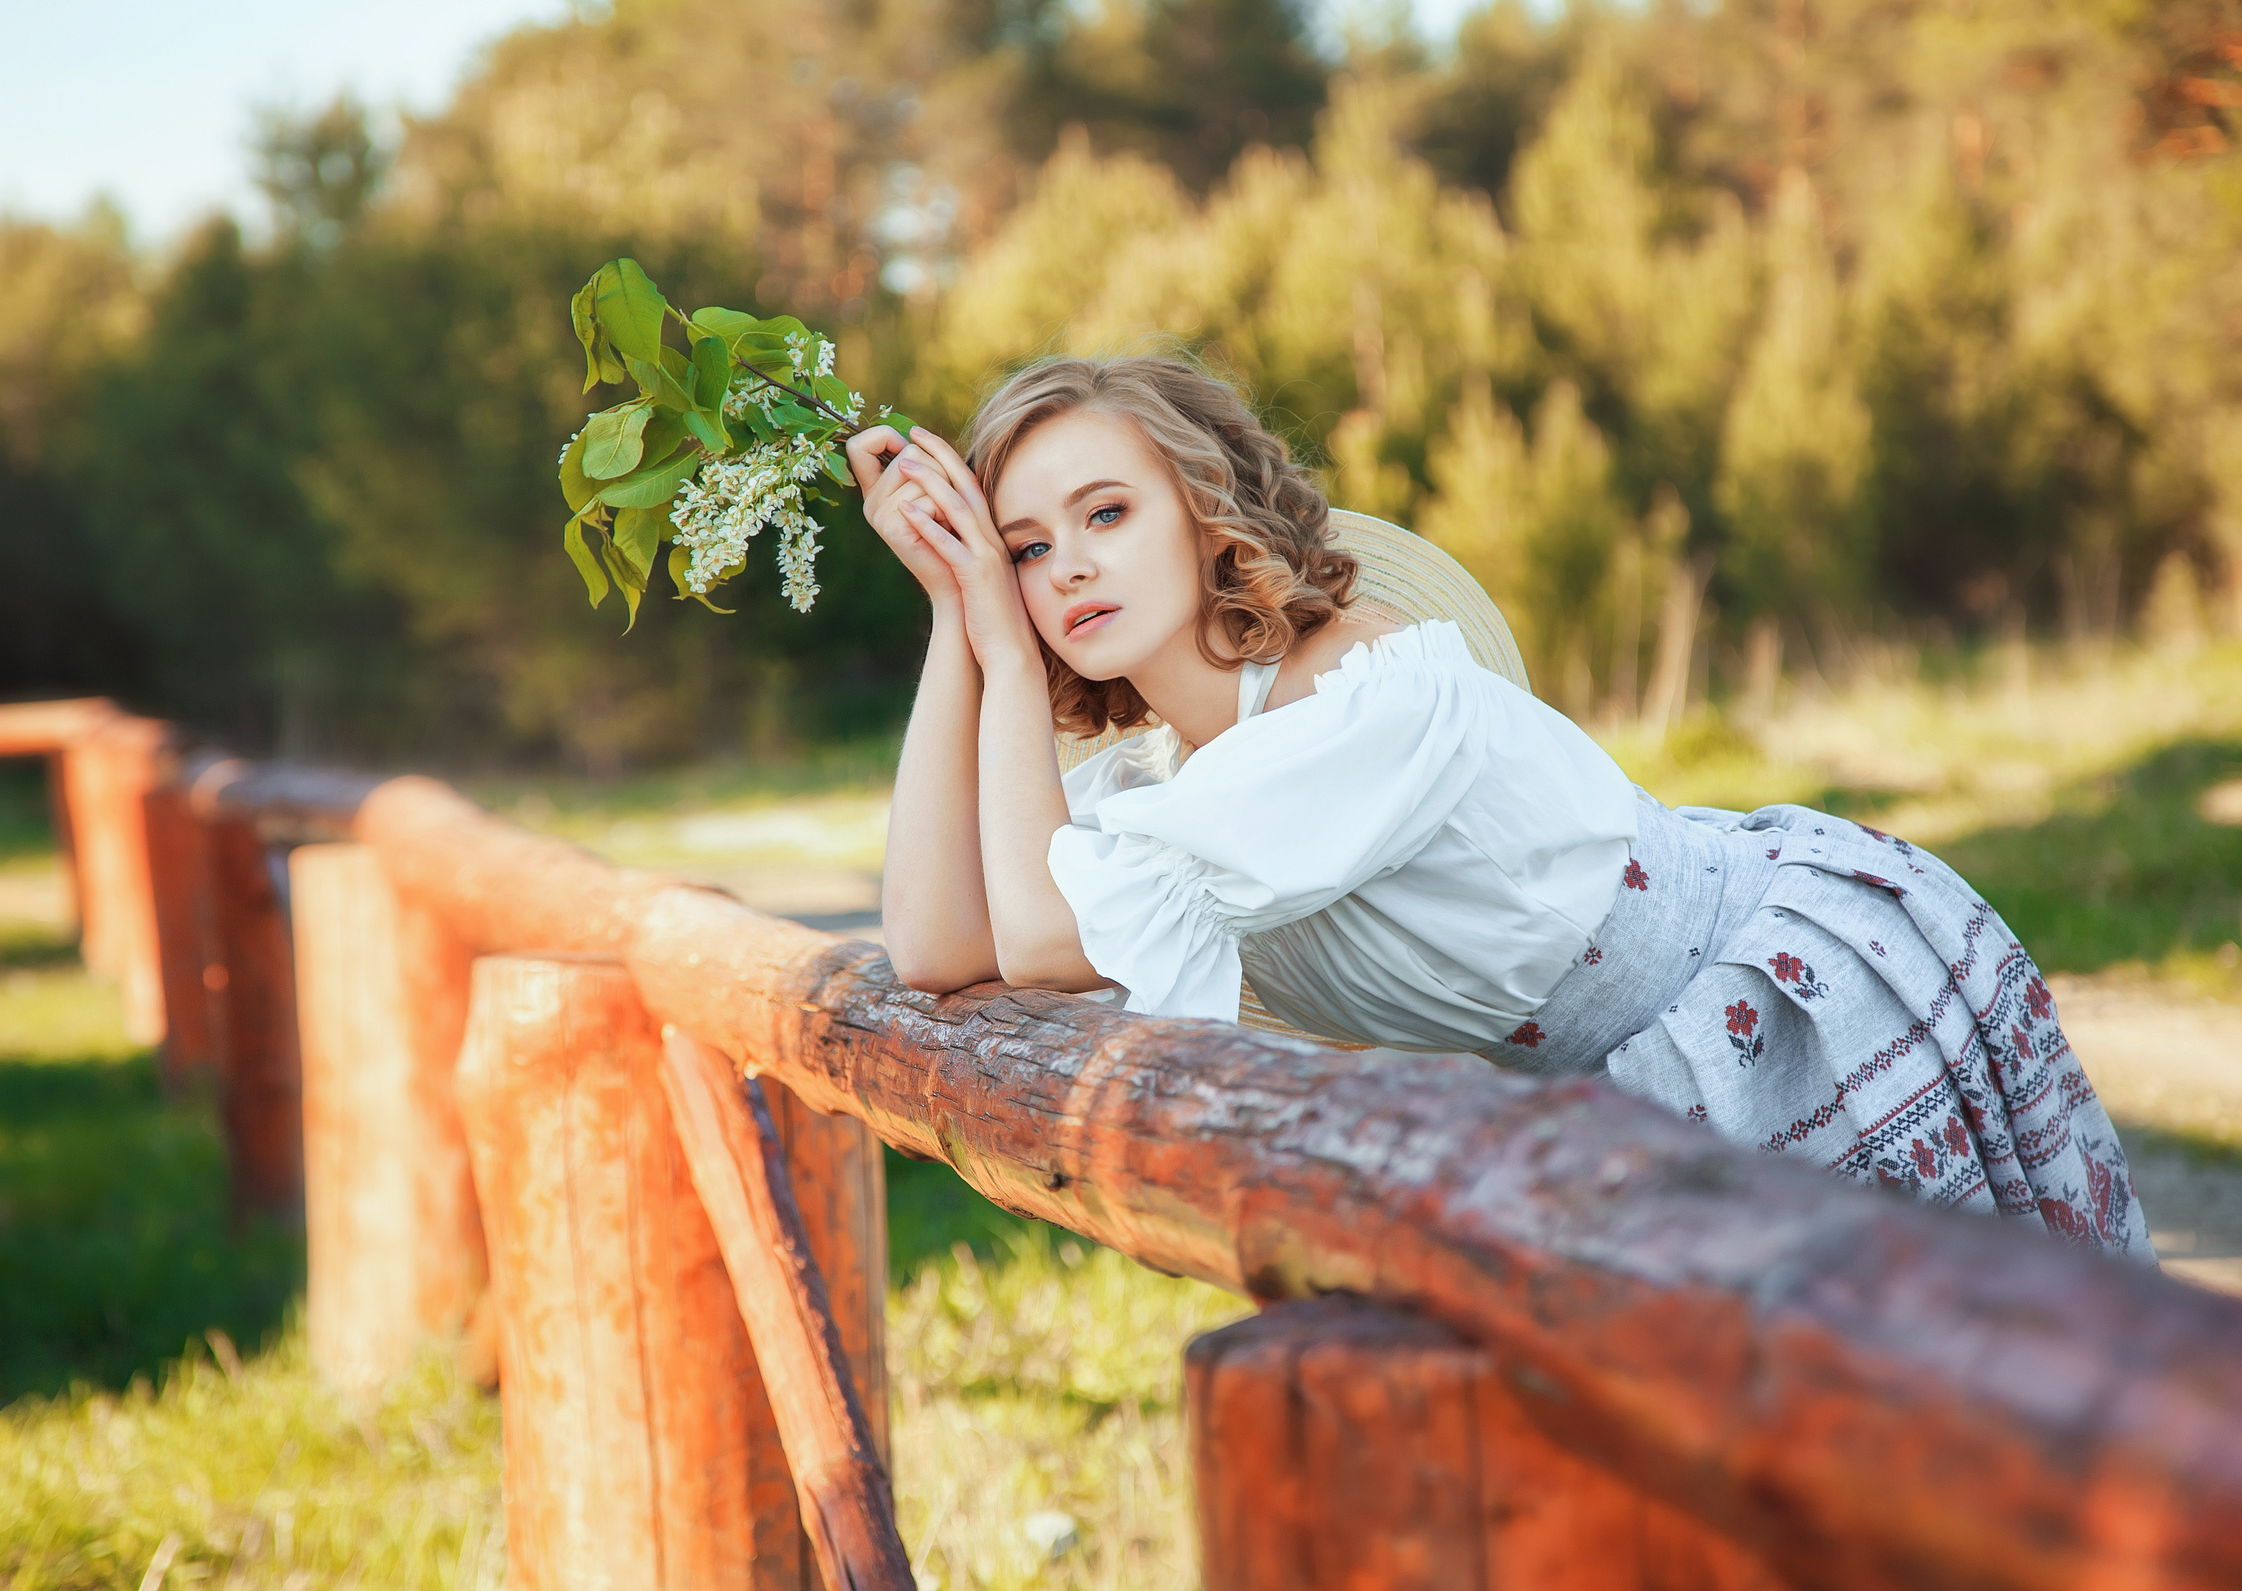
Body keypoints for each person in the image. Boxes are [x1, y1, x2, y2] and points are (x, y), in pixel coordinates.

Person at [845, 354, 2151, 1259]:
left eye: (1107, 513)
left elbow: (1038, 941)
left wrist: (1004, 637)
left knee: (1994, 1407)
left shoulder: (1363, 694)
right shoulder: (1172, 788)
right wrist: (957, 622)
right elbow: (938, 945)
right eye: (1026, 548)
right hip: (1626, 1077)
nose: (1067, 566)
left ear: (1202, 517)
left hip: (1788, 990)